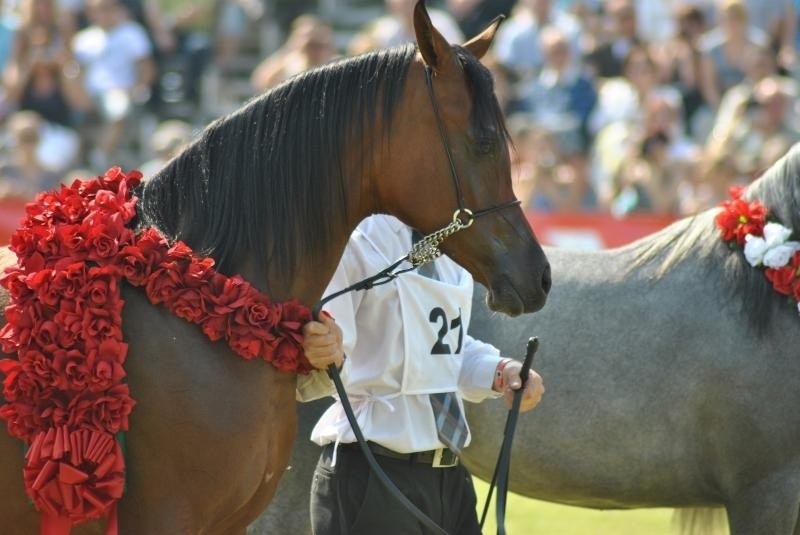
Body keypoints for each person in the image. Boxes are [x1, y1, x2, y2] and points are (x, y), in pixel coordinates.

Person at [298, 214, 545, 535]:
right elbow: (329, 363)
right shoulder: (354, 241)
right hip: (373, 473)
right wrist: (324, 354)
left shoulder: (451, 246)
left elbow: (446, 350)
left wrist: (500, 371)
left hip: (448, 477)